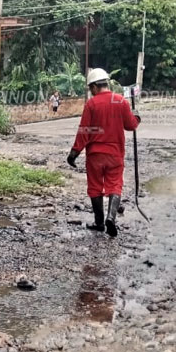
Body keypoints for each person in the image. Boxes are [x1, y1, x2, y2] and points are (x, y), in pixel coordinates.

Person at [66, 68, 139, 238]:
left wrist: (74, 153)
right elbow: (131, 125)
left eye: (91, 89)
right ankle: (111, 218)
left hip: (95, 155)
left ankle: (99, 223)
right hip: (115, 154)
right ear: (106, 83)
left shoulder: (91, 104)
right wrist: (137, 118)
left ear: (94, 87)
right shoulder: (121, 101)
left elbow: (84, 131)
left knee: (95, 187)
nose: (91, 92)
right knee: (115, 185)